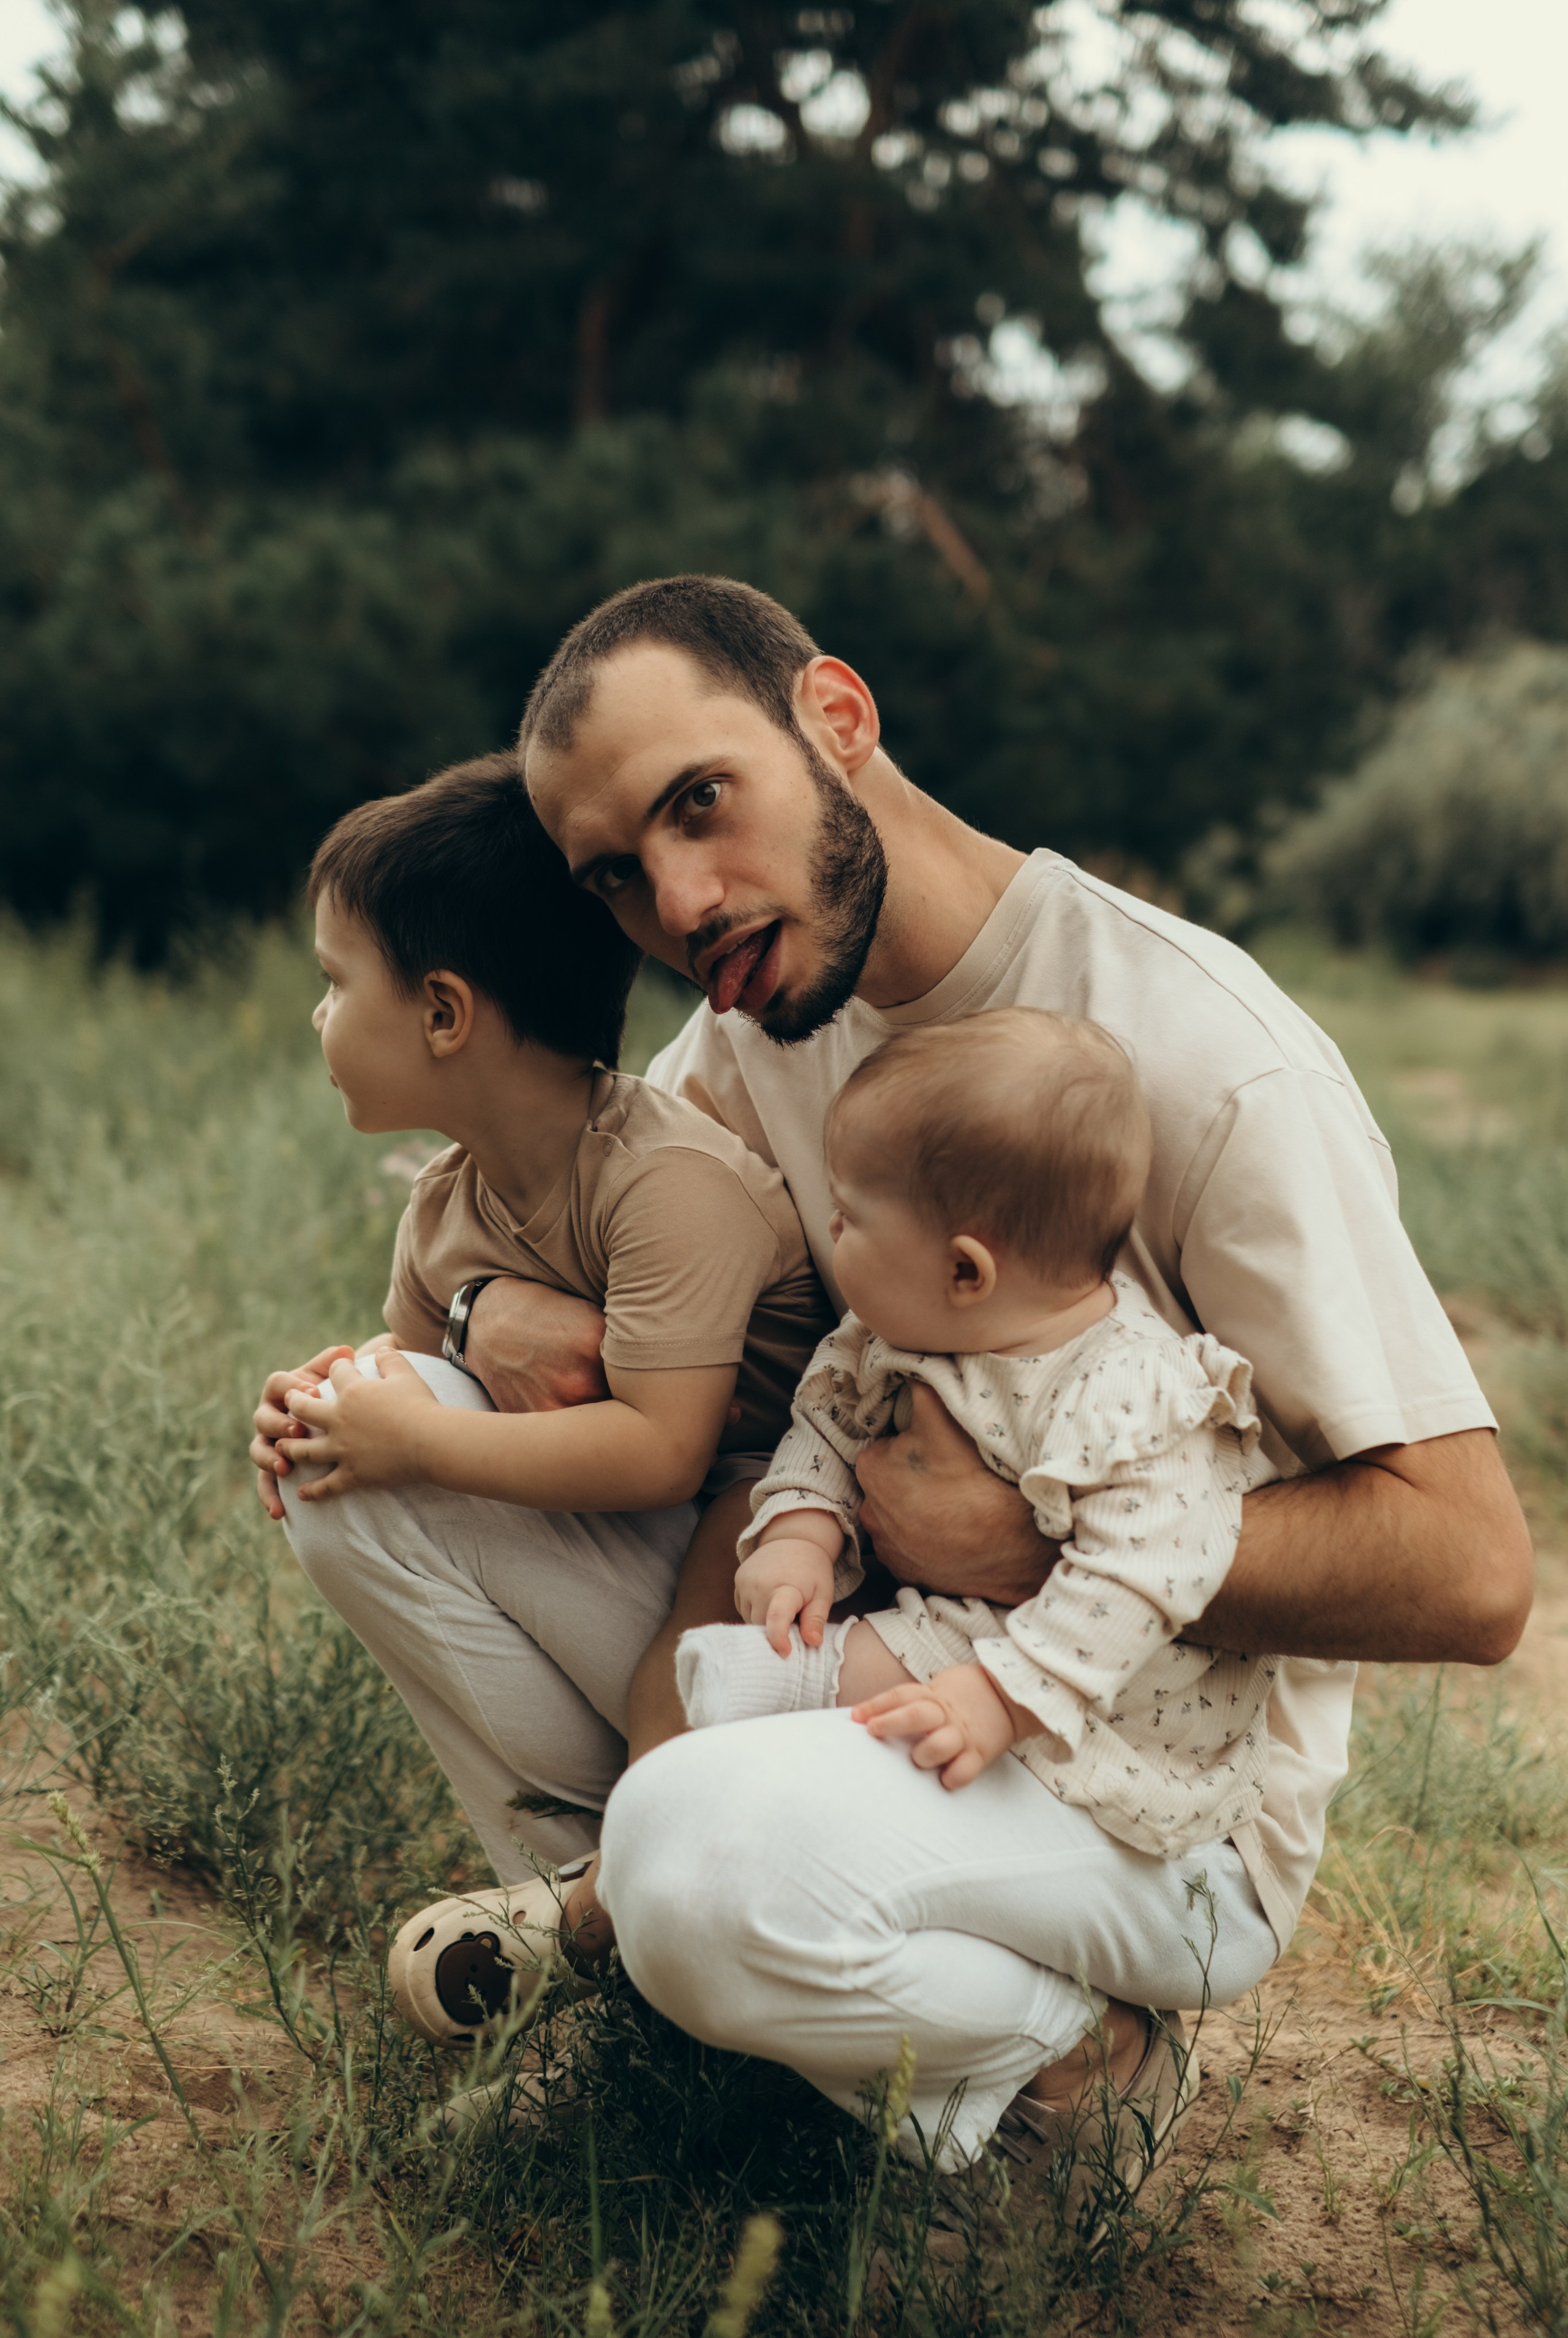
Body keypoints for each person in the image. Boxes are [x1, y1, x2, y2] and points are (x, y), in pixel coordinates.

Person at [481, 571, 1528, 2173]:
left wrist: (1032, 1546)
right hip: (880, 1652)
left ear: (836, 718)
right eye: (615, 875)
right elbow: (538, 1225)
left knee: (690, 1850)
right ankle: (703, 1997)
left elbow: (1472, 1571)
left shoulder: (1209, 1063)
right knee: (390, 1448)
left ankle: (1079, 2068)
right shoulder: (755, 1030)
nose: (679, 905)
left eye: (702, 803)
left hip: (1151, 1792)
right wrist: (488, 1306)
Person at [249, 752, 834, 2033]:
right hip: (640, 1545)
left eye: (336, 982)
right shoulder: (443, 1207)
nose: (318, 1016)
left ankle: (630, 1904)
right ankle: (582, 1937)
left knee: (668, 1668)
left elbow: (664, 1450)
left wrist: (409, 1437)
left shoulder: (665, 1182)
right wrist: (332, 1401)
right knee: (348, 1438)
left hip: (775, 1556)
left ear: (443, 1013)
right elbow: (421, 1376)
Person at [679, 1009, 1276, 1877]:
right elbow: (829, 1425)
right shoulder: (902, 1330)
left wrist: (1009, 1692)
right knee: (843, 1675)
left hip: (1106, 1697)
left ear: (966, 1270)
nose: (831, 1231)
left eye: (848, 1216)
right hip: (964, 1630)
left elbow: (1144, 1575)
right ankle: (758, 1741)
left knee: (838, 1685)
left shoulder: (1132, 1393)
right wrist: (801, 1529)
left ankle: (765, 1716)